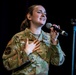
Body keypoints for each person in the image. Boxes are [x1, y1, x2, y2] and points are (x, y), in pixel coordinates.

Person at [2, 4, 66, 75]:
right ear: (29, 16)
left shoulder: (49, 38)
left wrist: (54, 41)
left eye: (45, 13)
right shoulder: (18, 37)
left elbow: (57, 62)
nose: (43, 15)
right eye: (39, 12)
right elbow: (7, 64)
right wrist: (26, 52)